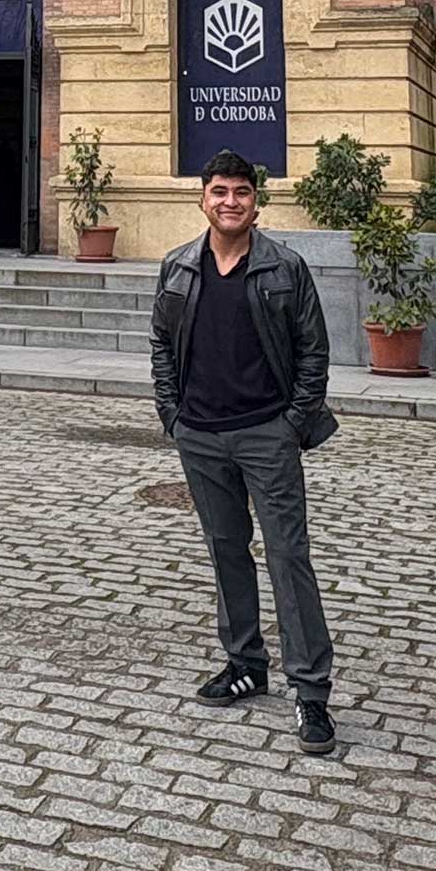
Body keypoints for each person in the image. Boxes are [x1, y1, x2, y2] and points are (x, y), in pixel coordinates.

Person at [149, 148, 338, 755]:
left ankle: (312, 693)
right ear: (202, 198)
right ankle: (245, 664)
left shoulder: (285, 267)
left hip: (266, 433)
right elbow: (161, 342)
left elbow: (314, 352)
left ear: (257, 201)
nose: (230, 202)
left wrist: (291, 423)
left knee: (288, 556)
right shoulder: (178, 266)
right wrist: (172, 415)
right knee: (226, 550)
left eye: (242, 192)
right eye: (220, 191)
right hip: (200, 434)